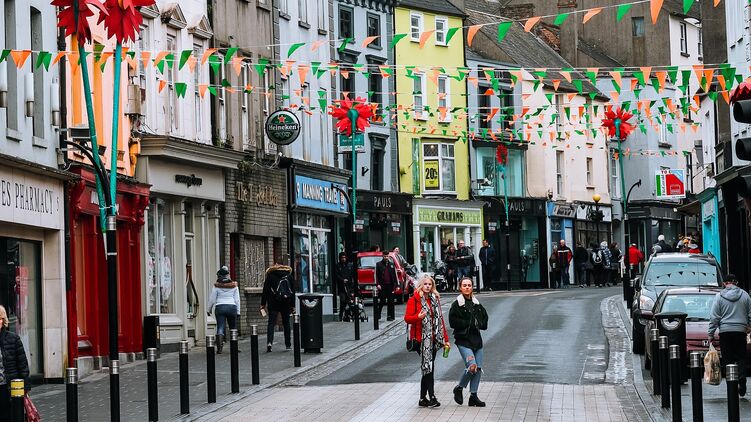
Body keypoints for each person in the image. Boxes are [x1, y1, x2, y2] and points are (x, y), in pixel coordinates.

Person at [404, 275, 449, 408]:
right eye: (425, 284)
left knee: (428, 367)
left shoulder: (435, 299)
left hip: (434, 339)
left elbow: (440, 320)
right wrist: (418, 317)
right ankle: (432, 397)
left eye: (430, 284)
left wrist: (445, 339)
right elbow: (407, 318)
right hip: (421, 340)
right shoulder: (414, 300)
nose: (428, 286)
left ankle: (423, 398)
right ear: (421, 286)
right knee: (428, 366)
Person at [708, 274, 751, 397]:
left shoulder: (719, 297)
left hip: (725, 332)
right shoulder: (745, 295)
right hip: (740, 331)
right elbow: (750, 313)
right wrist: (749, 326)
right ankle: (741, 377)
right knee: (741, 357)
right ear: (736, 282)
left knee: (728, 359)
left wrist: (711, 333)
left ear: (724, 283)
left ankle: (731, 386)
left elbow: (714, 317)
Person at [449, 277, 489, 407]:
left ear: (472, 287)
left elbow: (484, 320)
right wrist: (469, 323)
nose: (467, 287)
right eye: (464, 285)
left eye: (469, 285)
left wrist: (479, 323)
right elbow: (453, 322)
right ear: (460, 288)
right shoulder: (456, 305)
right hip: (463, 340)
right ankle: (459, 388)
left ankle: (473, 396)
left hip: (477, 340)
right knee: (472, 366)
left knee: (478, 369)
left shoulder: (477, 304)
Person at [0, 305, 29, 421]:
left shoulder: (13, 339)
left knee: (8, 417)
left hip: (7, 388)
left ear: (3, 320)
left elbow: (22, 364)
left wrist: (25, 387)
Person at [261, 262, 294, 352]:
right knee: (286, 323)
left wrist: (263, 304)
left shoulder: (270, 276)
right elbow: (292, 291)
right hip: (286, 302)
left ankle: (269, 343)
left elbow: (265, 291)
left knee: (271, 323)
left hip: (273, 303)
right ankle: (288, 345)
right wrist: (292, 305)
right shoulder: (289, 276)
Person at [207, 266, 241, 354]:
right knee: (233, 328)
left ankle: (219, 349)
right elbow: (237, 299)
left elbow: (212, 299)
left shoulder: (216, 286)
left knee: (220, 327)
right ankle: (234, 347)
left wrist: (209, 309)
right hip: (232, 307)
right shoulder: (234, 286)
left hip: (220, 307)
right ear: (227, 275)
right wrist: (238, 311)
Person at [375, 251, 397, 321]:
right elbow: (376, 275)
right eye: (385, 256)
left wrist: (396, 285)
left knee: (391, 301)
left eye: (387, 256)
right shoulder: (378, 264)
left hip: (390, 285)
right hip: (382, 285)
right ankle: (378, 314)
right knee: (382, 300)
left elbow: (395, 275)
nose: (386, 257)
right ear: (382, 256)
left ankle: (390, 316)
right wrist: (378, 284)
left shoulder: (392, 264)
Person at [335, 252, 355, 321]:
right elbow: (336, 275)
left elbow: (352, 275)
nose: (343, 259)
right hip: (341, 286)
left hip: (349, 286)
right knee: (343, 301)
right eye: (342, 258)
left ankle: (348, 314)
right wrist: (342, 280)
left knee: (350, 300)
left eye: (344, 257)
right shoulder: (338, 266)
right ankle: (341, 315)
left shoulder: (349, 266)